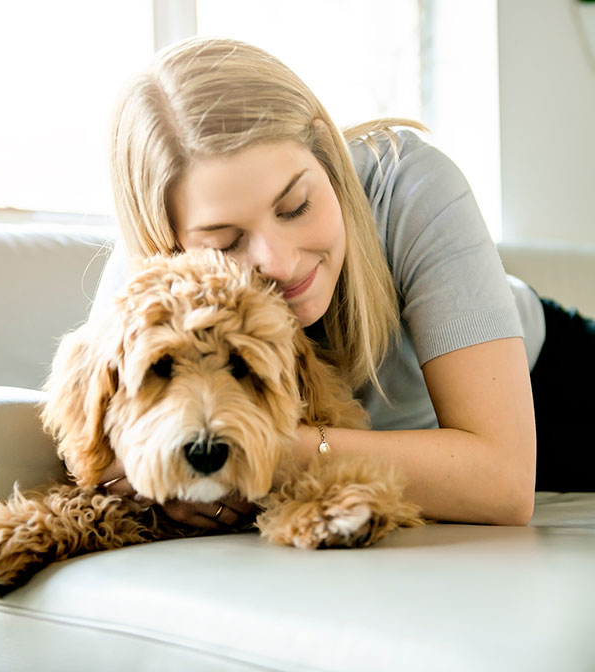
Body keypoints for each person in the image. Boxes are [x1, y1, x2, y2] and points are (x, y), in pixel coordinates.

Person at [92, 36, 594, 530]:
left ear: (327, 151)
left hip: (549, 388)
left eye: (295, 207)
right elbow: (89, 446)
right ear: (167, 241)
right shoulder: (146, 276)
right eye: (224, 244)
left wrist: (272, 453)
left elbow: (502, 483)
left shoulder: (411, 183)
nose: (280, 263)